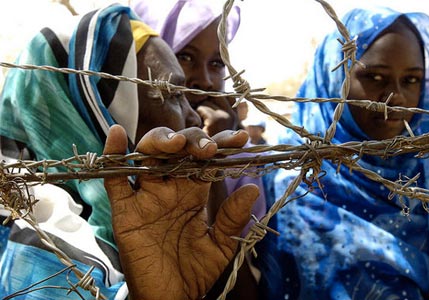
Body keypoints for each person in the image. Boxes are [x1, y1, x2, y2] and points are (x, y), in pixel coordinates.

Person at [0, 4, 259, 299]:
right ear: (99, 109)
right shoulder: (30, 243)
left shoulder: (167, 230)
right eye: (174, 95)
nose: (194, 117)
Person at [256, 6, 429, 300]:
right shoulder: (290, 177)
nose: (396, 97)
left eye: (411, 80)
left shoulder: (425, 176)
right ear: (334, 76)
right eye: (375, 77)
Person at [131, 0, 267, 236]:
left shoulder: (244, 160)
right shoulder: (118, 143)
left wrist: (214, 158)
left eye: (216, 63)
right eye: (184, 56)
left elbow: (236, 267)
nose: (204, 81)